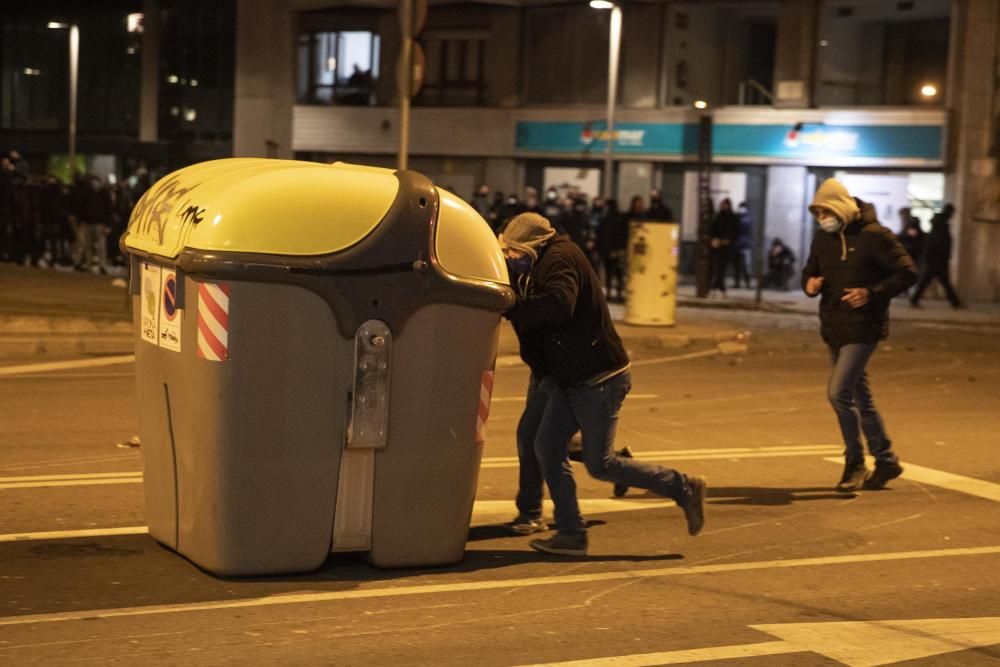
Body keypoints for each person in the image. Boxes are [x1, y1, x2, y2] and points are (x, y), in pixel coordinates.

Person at [500, 212, 706, 556]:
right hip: (568, 376)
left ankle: (682, 487)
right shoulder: (539, 260)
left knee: (601, 464)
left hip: (598, 379)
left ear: (534, 245)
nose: (510, 258)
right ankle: (571, 534)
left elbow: (560, 304)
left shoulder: (561, 258)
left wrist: (513, 307)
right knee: (546, 448)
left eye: (514, 252)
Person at [801, 179, 917, 492]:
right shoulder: (822, 240)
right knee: (859, 398)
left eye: (825, 211)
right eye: (817, 213)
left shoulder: (874, 236)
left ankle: (855, 462)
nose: (821, 218)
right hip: (834, 325)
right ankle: (886, 460)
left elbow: (907, 272)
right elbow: (809, 271)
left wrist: (871, 293)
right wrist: (809, 285)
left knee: (838, 393)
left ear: (840, 206)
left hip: (864, 326)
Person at [910, 204, 962, 309]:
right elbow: (941, 243)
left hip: (936, 258)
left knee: (942, 281)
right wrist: (943, 256)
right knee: (930, 280)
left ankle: (955, 302)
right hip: (936, 259)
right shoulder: (941, 223)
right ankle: (914, 299)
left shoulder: (939, 222)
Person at [708, 198, 740, 295]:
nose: (722, 206)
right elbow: (713, 229)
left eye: (724, 204)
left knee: (722, 266)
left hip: (728, 245)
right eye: (721, 204)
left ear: (728, 205)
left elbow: (736, 231)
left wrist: (729, 240)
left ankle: (717, 286)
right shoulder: (718, 216)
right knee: (718, 266)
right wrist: (714, 239)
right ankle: (720, 287)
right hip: (718, 244)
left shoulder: (734, 218)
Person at [732, 201, 752, 288]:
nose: (741, 209)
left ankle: (747, 282)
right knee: (737, 265)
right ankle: (738, 282)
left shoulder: (745, 219)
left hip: (744, 245)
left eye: (742, 207)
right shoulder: (738, 218)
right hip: (738, 244)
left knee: (745, 266)